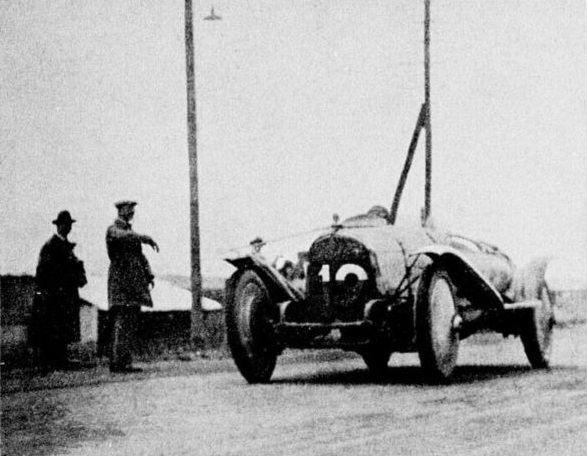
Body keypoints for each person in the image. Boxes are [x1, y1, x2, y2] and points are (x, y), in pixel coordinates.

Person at [106, 200, 159, 373]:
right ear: (121, 211)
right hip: (121, 284)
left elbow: (140, 256)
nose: (132, 213)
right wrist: (144, 237)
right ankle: (117, 362)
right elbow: (123, 236)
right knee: (122, 323)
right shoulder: (113, 230)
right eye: (130, 210)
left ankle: (125, 362)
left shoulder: (130, 233)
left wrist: (149, 274)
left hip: (133, 285)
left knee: (129, 323)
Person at [31, 210, 87, 371]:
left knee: (63, 327)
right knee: (53, 326)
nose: (66, 227)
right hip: (55, 294)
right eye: (63, 224)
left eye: (68, 225)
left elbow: (74, 267)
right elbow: (43, 272)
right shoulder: (51, 246)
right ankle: (51, 361)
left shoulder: (66, 246)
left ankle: (60, 359)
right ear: (58, 226)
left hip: (65, 294)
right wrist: (46, 293)